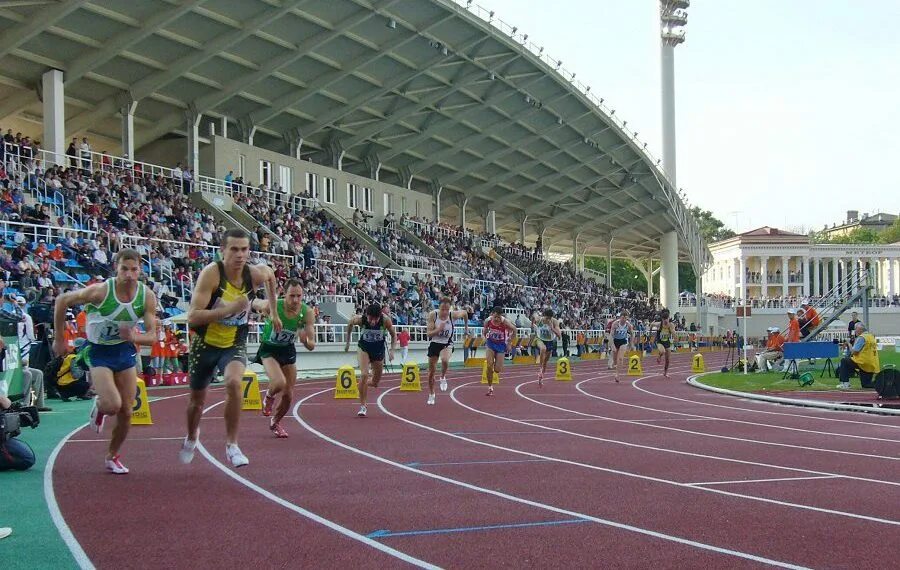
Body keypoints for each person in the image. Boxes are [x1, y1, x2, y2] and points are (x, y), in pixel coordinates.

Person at [52, 249, 159, 474]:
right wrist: (59, 338)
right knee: (112, 404)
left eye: (134, 269)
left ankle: (112, 455)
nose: (129, 274)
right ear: (116, 269)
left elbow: (152, 336)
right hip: (98, 351)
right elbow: (62, 300)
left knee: (127, 412)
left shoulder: (146, 296)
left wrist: (134, 337)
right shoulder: (101, 291)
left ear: (140, 270)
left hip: (124, 351)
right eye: (124, 269)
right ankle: (100, 407)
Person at [180, 229, 280, 468]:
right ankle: (192, 436)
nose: (239, 255)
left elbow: (271, 276)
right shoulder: (211, 275)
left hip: (234, 342)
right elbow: (193, 317)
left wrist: (274, 311)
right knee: (196, 402)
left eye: (244, 249)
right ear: (222, 251)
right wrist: (228, 309)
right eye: (234, 249)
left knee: (235, 383)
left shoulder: (253, 274)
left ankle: (232, 445)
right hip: (205, 344)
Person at [253, 280, 315, 438]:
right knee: (279, 382)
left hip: (287, 351)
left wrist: (304, 341)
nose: (295, 300)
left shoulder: (306, 312)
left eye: (299, 296)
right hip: (268, 349)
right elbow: (254, 302)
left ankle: (275, 422)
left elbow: (312, 345)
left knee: (288, 395)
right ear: (284, 294)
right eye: (292, 296)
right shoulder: (273, 306)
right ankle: (268, 396)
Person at [344, 303, 396, 418]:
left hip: (378, 352)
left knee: (375, 383)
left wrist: (392, 350)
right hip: (364, 349)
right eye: (370, 319)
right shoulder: (361, 320)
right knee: (364, 374)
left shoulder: (385, 320)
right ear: (367, 315)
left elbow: (393, 335)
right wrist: (348, 342)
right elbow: (350, 323)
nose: (373, 322)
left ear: (379, 316)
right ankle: (363, 406)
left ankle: (362, 384)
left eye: (375, 319)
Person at [425, 298, 468, 404]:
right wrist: (439, 329)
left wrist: (466, 329)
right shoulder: (433, 315)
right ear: (439, 307)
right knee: (431, 373)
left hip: (447, 343)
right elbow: (429, 334)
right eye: (442, 309)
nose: (444, 312)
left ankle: (443, 377)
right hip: (435, 343)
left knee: (445, 360)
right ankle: (431, 394)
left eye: (447, 309)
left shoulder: (452, 315)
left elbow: (465, 313)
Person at [482, 307, 516, 396]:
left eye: (498, 317)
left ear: (501, 316)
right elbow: (485, 330)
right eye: (495, 317)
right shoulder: (488, 321)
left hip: (501, 345)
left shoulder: (505, 322)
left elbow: (515, 330)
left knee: (497, 370)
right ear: (492, 314)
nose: (496, 319)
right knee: (489, 365)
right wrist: (484, 337)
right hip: (491, 343)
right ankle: (490, 387)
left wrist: (509, 343)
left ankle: (496, 368)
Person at [837, 322, 879, 390]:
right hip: (871, 363)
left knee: (844, 361)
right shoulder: (871, 336)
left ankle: (845, 383)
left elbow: (854, 352)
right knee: (866, 385)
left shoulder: (862, 337)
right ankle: (882, 383)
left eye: (855, 329)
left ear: (860, 329)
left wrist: (849, 344)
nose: (855, 331)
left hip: (862, 362)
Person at [531, 309, 561, 386]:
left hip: (550, 341)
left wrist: (552, 328)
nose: (548, 320)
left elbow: (559, 336)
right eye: (546, 318)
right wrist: (532, 321)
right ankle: (540, 368)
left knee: (546, 362)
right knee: (543, 348)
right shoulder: (540, 319)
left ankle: (541, 377)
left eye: (549, 318)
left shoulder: (554, 322)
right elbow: (534, 317)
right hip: (540, 339)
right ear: (544, 316)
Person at [611, 311, 634, 383]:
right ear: (620, 317)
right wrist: (612, 345)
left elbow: (632, 334)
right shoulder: (615, 324)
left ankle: (617, 375)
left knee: (620, 358)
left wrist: (631, 344)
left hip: (623, 341)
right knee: (615, 360)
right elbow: (611, 335)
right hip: (615, 341)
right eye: (623, 318)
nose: (624, 320)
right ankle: (615, 365)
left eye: (626, 318)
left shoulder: (628, 325)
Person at [654, 309, 677, 378]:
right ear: (662, 319)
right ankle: (659, 356)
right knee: (662, 351)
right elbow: (652, 324)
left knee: (668, 360)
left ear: (668, 318)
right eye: (664, 319)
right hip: (660, 341)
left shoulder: (671, 325)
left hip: (666, 342)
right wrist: (650, 331)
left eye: (667, 319)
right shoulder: (659, 324)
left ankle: (665, 372)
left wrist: (675, 338)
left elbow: (673, 332)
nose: (666, 321)